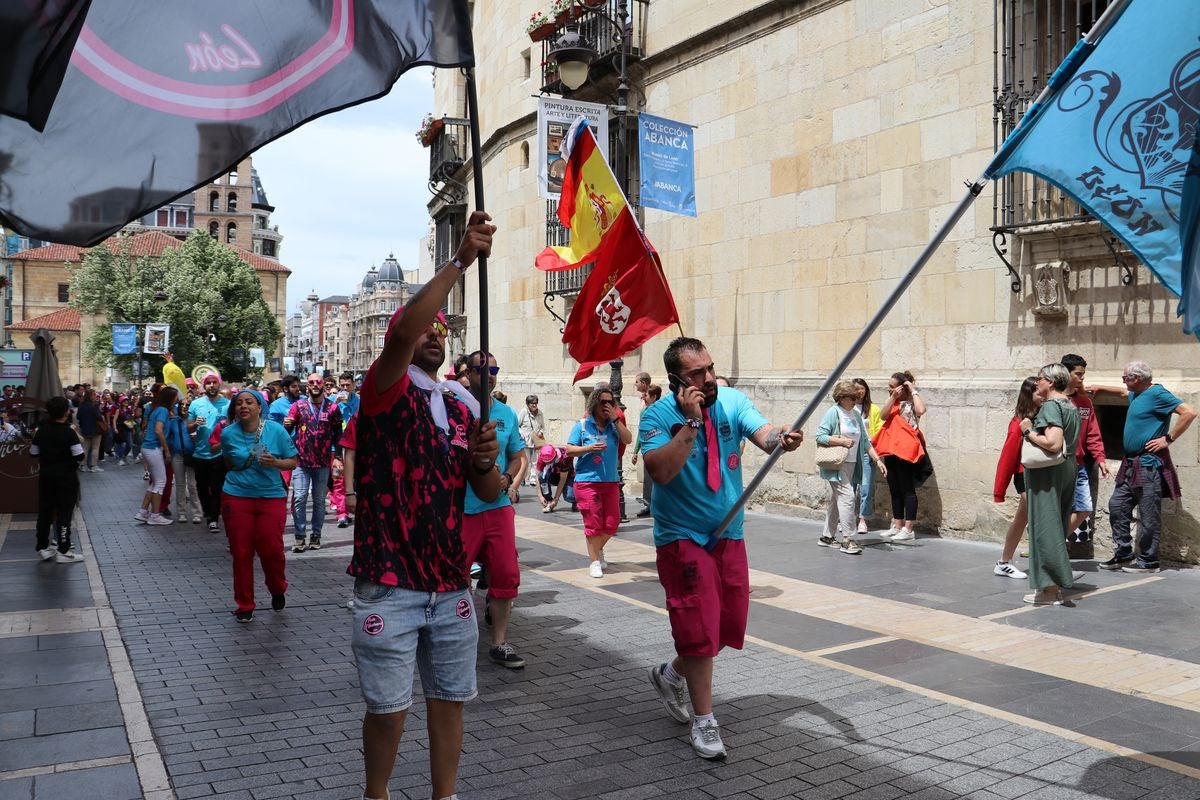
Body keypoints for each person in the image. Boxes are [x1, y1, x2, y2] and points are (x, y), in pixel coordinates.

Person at [348, 211, 500, 800]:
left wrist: (484, 462)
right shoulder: (383, 385)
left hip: (450, 583)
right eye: (423, 328)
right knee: (389, 710)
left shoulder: (462, 404)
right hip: (390, 581)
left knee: (450, 702)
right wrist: (461, 259)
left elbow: (486, 493)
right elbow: (402, 332)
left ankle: (445, 795)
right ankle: (377, 794)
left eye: (442, 327)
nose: (434, 332)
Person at [640, 336, 803, 760]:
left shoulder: (731, 400)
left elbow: (764, 434)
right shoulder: (656, 416)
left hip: (728, 533)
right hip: (682, 537)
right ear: (677, 378)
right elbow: (660, 471)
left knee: (725, 627)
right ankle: (705, 720)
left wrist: (780, 436)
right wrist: (692, 424)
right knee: (698, 628)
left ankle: (670, 673)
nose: (708, 379)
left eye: (710, 369)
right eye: (697, 374)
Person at [1093, 361, 1196, 573]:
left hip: (1148, 465)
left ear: (1137, 378)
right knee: (1117, 506)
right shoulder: (1137, 393)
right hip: (1130, 464)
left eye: (1125, 378)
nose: (1123, 382)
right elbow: (1123, 393)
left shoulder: (1158, 394)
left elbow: (1189, 412)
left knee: (1149, 516)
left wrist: (1168, 439)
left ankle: (1149, 562)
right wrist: (1102, 389)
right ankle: (1123, 553)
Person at [461, 350, 528, 669]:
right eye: (481, 369)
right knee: (458, 577)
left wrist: (509, 479)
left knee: (506, 574)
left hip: (498, 507)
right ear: (467, 374)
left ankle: (499, 642)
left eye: (494, 369)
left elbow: (516, 455)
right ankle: (460, 637)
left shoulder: (507, 413)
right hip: (462, 510)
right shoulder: (453, 409)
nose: (489, 375)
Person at [217, 389, 297, 622]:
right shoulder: (227, 434)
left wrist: (276, 462)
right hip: (236, 495)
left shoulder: (276, 430)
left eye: (249, 402)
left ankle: (277, 587)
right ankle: (245, 605)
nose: (244, 406)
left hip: (270, 496)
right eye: (239, 403)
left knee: (271, 550)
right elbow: (229, 462)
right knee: (241, 552)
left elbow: (292, 461)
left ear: (259, 407)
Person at [1019, 364, 1081, 605]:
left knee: (1045, 529)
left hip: (1048, 474)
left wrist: (1027, 431)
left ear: (1051, 382)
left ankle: (1049, 589)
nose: (1036, 383)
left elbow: (1053, 443)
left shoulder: (1051, 406)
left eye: (1040, 379)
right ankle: (1052, 587)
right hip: (1065, 470)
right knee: (1056, 525)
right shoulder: (1070, 405)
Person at [566, 383, 632, 578]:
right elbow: (569, 450)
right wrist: (588, 449)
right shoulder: (583, 425)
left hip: (610, 481)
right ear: (594, 403)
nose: (606, 405)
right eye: (603, 401)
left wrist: (616, 419)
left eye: (610, 402)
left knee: (612, 524)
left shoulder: (614, 427)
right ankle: (594, 561)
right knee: (593, 523)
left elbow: (628, 439)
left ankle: (596, 550)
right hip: (588, 482)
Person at [815, 380, 887, 555]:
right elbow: (820, 436)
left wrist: (877, 460)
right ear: (842, 397)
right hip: (836, 464)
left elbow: (864, 441)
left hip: (853, 463)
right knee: (847, 498)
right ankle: (848, 539)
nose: (856, 400)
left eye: (857, 397)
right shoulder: (833, 412)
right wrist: (841, 441)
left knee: (836, 499)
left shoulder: (855, 414)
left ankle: (827, 536)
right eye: (852, 397)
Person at [284, 372, 343, 553]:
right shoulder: (299, 406)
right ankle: (300, 536)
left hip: (323, 462)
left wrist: (338, 458)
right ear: (307, 386)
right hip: (301, 461)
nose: (315, 385)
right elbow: (288, 430)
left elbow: (338, 435)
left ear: (323, 385)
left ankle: (316, 535)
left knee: (318, 501)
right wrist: (287, 425)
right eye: (312, 382)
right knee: (299, 499)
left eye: (318, 382)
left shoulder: (332, 408)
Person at [1061, 354, 1110, 555]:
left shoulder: (1085, 403)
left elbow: (1093, 434)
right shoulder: (1053, 400)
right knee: (1055, 509)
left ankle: (1055, 540)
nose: (1082, 378)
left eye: (1083, 374)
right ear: (1066, 374)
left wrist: (1100, 458)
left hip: (1079, 465)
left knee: (1084, 508)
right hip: (1057, 465)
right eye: (1078, 374)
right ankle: (1053, 545)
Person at [993, 377, 1040, 579]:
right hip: (1025, 476)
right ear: (1030, 395)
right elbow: (1007, 457)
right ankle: (1046, 568)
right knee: (1038, 518)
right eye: (1039, 391)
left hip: (1036, 473)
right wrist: (999, 490)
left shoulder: (1041, 416)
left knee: (1021, 519)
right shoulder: (1018, 424)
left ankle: (1003, 562)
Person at [872, 371, 928, 541]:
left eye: (891, 386)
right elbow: (882, 416)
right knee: (894, 488)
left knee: (907, 489)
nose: (888, 389)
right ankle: (897, 525)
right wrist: (892, 397)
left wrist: (913, 389)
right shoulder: (893, 403)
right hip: (890, 449)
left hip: (905, 450)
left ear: (901, 387)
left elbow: (921, 410)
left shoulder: (911, 402)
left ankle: (909, 529)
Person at [31, 396, 86, 563]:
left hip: (46, 476)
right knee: (64, 513)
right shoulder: (69, 432)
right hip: (66, 477)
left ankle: (42, 547)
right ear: (65, 412)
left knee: (45, 512)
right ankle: (64, 550)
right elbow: (79, 455)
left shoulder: (41, 431)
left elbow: (33, 453)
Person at [189, 372, 231, 533]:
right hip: (200, 452)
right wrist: (194, 424)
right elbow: (188, 427)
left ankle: (213, 518)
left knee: (217, 487)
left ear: (219, 384)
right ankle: (208, 511)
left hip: (219, 453)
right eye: (208, 383)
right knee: (201, 487)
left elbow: (233, 425)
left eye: (214, 382)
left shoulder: (227, 404)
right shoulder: (196, 404)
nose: (212, 385)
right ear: (204, 386)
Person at [135, 386, 177, 526]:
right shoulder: (163, 411)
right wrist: (167, 450)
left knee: (155, 482)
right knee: (160, 482)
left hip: (148, 448)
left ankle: (143, 512)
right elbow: (159, 430)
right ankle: (155, 514)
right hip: (153, 448)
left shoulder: (157, 409)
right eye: (175, 397)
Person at [852, 378, 883, 533]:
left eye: (862, 388)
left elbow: (879, 430)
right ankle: (847, 517)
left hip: (867, 451)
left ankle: (863, 519)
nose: (859, 391)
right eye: (856, 388)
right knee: (849, 487)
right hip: (850, 451)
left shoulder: (873, 409)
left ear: (866, 390)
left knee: (866, 487)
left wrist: (874, 449)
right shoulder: (847, 408)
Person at [631, 384, 662, 518]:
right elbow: (641, 433)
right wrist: (636, 450)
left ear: (654, 397)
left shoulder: (662, 411)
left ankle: (659, 506)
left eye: (647, 395)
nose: (644, 397)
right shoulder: (645, 411)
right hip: (647, 449)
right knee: (648, 478)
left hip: (660, 449)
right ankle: (648, 505)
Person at [517, 394, 546, 487]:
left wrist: (541, 432)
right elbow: (517, 425)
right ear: (528, 404)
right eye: (532, 403)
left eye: (536, 403)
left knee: (535, 461)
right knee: (525, 461)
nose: (534, 405)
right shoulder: (523, 412)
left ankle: (533, 479)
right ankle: (523, 478)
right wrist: (521, 433)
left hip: (536, 441)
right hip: (525, 440)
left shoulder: (540, 413)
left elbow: (542, 426)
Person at [536, 443, 575, 513]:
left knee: (569, 496)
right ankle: (548, 501)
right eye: (546, 462)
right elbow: (537, 476)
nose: (547, 463)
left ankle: (575, 501)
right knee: (541, 476)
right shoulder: (541, 456)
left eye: (549, 462)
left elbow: (562, 479)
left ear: (555, 456)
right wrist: (540, 496)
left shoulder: (565, 458)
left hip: (567, 477)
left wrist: (556, 499)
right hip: (553, 475)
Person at [75, 389, 104, 472]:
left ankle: (82, 465)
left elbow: (78, 417)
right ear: (90, 396)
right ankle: (94, 466)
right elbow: (99, 417)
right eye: (94, 395)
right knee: (95, 448)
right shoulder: (94, 406)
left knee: (85, 448)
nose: (95, 396)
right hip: (95, 429)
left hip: (85, 429)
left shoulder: (82, 405)